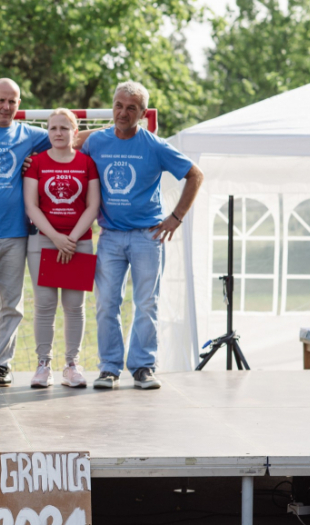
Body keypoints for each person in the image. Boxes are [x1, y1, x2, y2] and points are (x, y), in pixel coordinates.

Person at [81, 81, 204, 390]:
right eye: (119, 106)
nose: (123, 112)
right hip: (109, 236)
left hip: (148, 237)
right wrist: (32, 159)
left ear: (143, 113)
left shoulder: (155, 145)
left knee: (146, 303)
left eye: (131, 108)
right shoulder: (96, 141)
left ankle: (143, 367)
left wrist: (176, 218)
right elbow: (63, 142)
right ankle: (109, 367)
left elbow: (195, 174)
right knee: (107, 303)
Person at [0, 78, 51, 388]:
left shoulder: (30, 136)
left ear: (19, 105)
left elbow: (66, 138)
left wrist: (112, 132)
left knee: (11, 304)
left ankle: (1, 363)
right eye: (0, 100)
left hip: (16, 233)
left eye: (12, 102)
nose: (5, 107)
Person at [23, 109, 100, 388]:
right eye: (53, 128)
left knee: (74, 306)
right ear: (48, 132)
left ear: (75, 132)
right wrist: (55, 237)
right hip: (44, 240)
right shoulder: (36, 163)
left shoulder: (86, 163)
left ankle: (72, 365)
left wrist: (72, 238)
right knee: (44, 305)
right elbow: (31, 205)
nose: (58, 133)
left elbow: (93, 205)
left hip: (79, 242)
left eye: (64, 128)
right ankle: (44, 365)